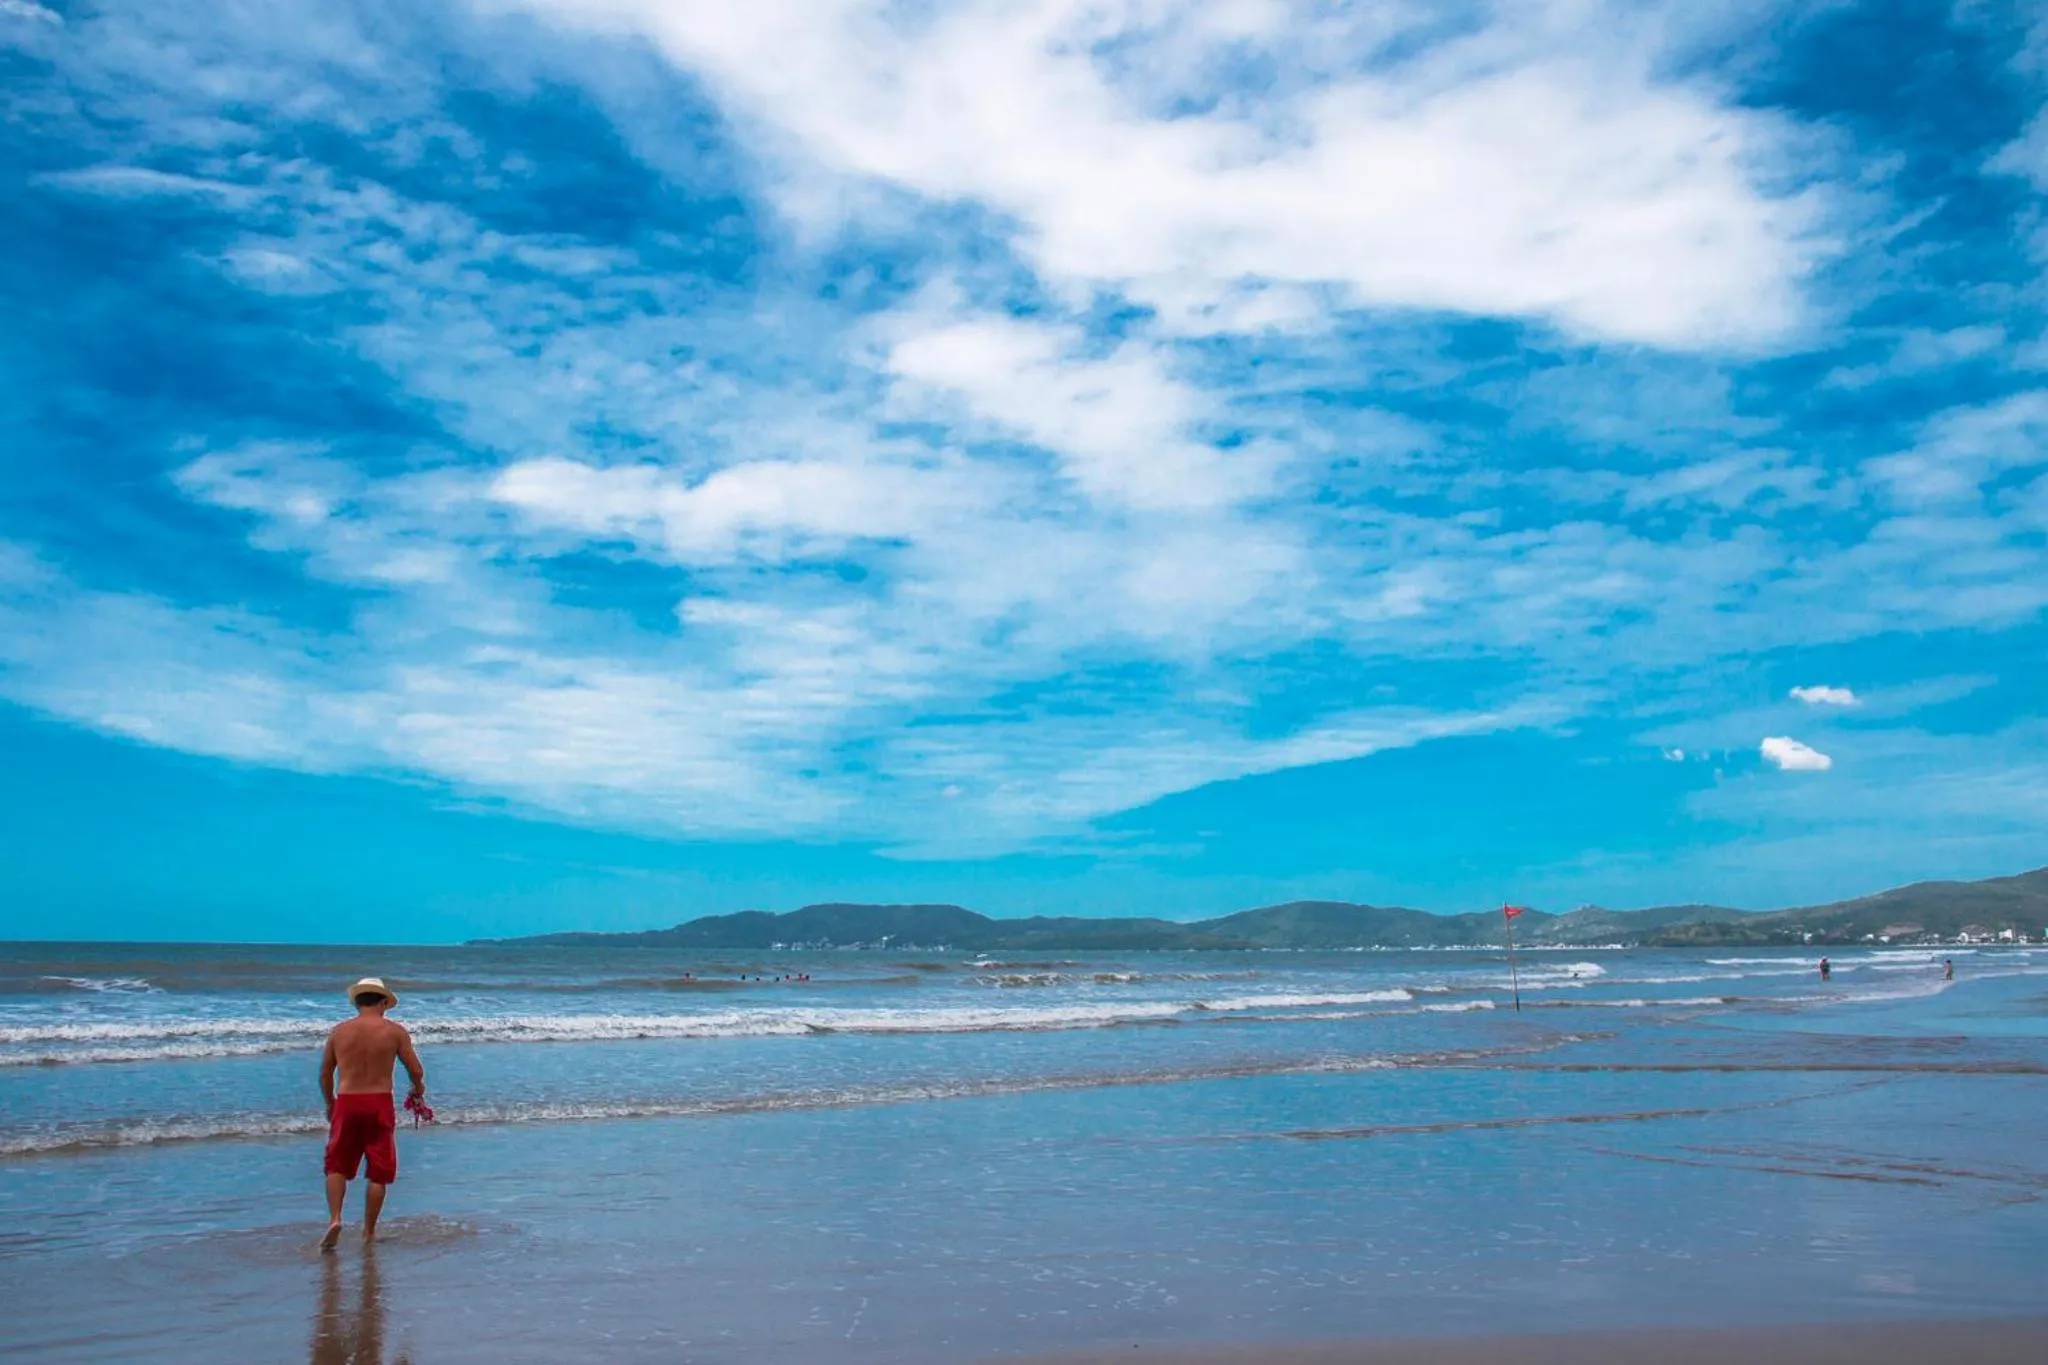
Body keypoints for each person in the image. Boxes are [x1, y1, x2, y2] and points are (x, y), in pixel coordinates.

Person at [319, 977, 426, 1251]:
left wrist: (330, 1103)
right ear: (383, 1002)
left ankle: (335, 1219)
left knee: (336, 1164)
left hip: (347, 1102)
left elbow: (325, 1073)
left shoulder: (339, 1032)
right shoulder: (394, 1032)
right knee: (379, 1170)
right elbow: (415, 1069)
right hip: (379, 1102)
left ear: (357, 1002)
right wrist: (418, 1089)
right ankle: (368, 1232)